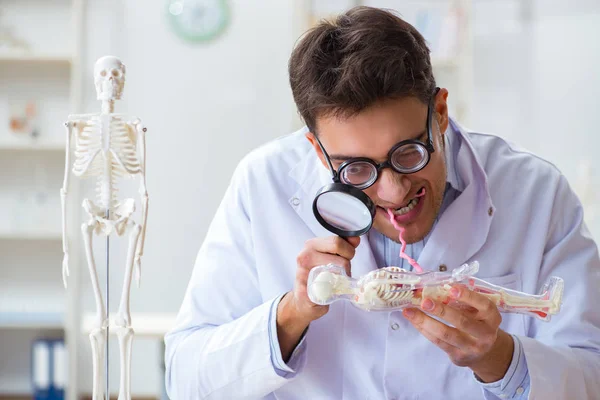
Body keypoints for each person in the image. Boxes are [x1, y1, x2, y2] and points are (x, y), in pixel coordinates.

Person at [164, 6, 600, 400]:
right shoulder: (262, 185)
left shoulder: (535, 192)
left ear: (441, 113)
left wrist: (501, 359)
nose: (393, 192)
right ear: (317, 151)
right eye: (355, 169)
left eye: (409, 153)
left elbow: (592, 375)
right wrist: (291, 314)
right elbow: (186, 378)